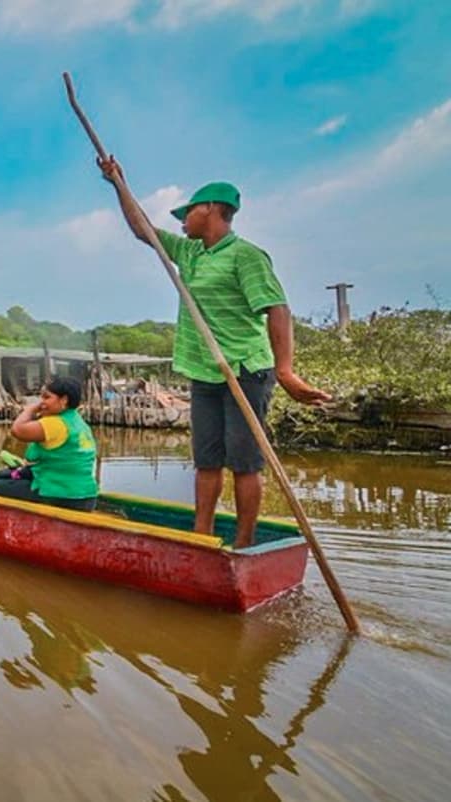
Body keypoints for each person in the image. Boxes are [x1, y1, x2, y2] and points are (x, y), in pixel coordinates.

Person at [98, 157, 331, 548]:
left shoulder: (246, 255)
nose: (182, 221)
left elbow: (278, 309)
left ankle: (243, 544)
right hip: (205, 370)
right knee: (206, 461)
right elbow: (143, 229)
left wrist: (286, 372)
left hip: (244, 369)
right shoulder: (189, 253)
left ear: (210, 210)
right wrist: (118, 183)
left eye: (187, 212)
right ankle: (201, 537)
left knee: (244, 463)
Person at [0, 377, 98, 512]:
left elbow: (17, 430)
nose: (42, 402)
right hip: (85, 495)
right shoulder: (77, 421)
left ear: (64, 400)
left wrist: (30, 410)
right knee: (4, 474)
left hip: (63, 497)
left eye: (47, 397)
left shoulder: (56, 423)